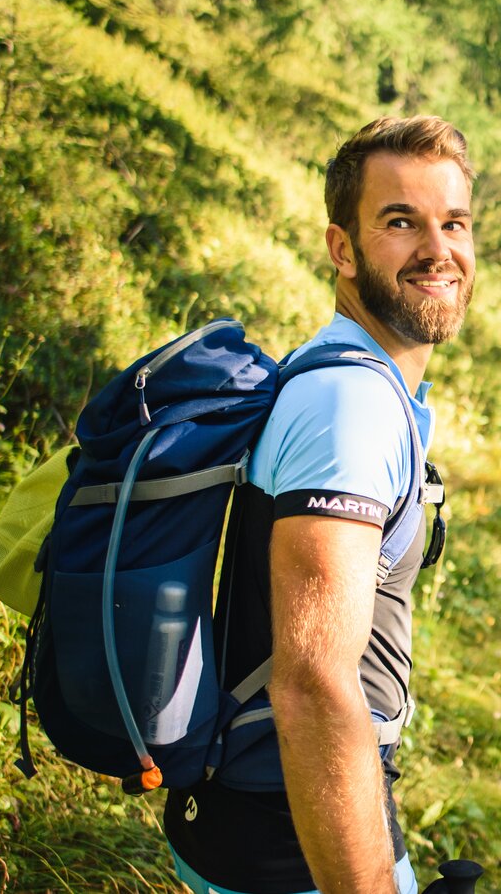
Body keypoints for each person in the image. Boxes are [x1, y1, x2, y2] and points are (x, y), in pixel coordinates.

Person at [162, 116, 477, 894]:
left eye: (454, 222)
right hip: (293, 842)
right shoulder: (351, 407)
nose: (439, 250)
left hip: (282, 813)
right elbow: (311, 682)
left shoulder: (349, 378)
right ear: (342, 248)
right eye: (400, 221)